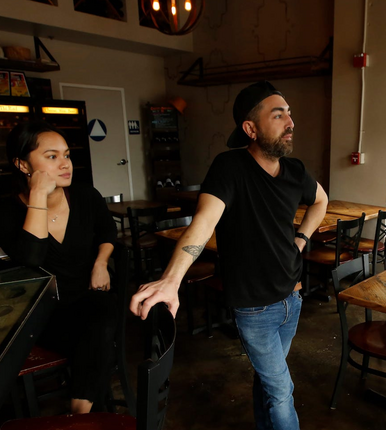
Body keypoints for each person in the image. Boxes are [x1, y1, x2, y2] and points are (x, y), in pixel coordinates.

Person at [130, 81, 328, 430]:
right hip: (255, 308)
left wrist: (300, 240)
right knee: (281, 390)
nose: (290, 122)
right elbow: (202, 224)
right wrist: (171, 280)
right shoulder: (229, 167)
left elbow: (321, 201)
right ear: (250, 129)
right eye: (278, 114)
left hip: (291, 299)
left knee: (267, 381)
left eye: (289, 114)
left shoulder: (295, 171)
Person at [0, 120, 118, 414]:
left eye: (67, 154)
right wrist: (37, 197)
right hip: (42, 312)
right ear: (23, 165)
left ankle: (79, 411)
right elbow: (31, 257)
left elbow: (108, 233)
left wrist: (101, 263)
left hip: (88, 296)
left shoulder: (86, 196)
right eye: (52, 156)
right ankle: (87, 407)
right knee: (97, 337)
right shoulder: (4, 212)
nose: (65, 164)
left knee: (102, 315)